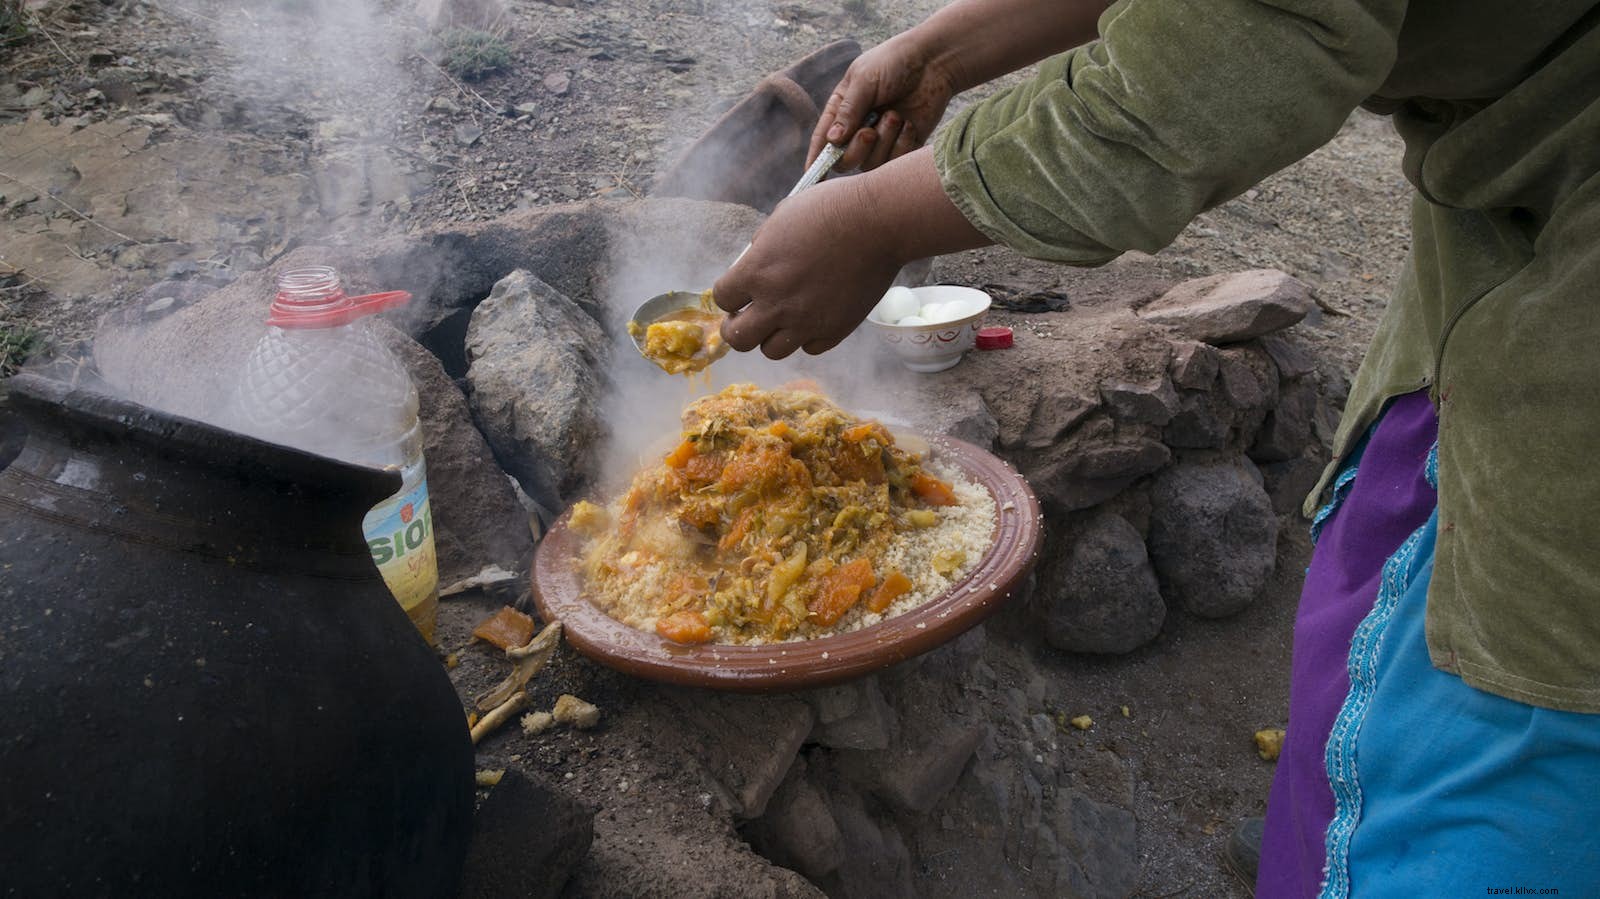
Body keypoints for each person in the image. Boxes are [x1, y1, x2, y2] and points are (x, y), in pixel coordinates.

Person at [712, 0, 1600, 895]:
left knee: (1519, 653)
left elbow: (1245, 46)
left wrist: (875, 223)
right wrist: (943, 49)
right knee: (1382, 556)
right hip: (1506, 191)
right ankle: (1336, 819)